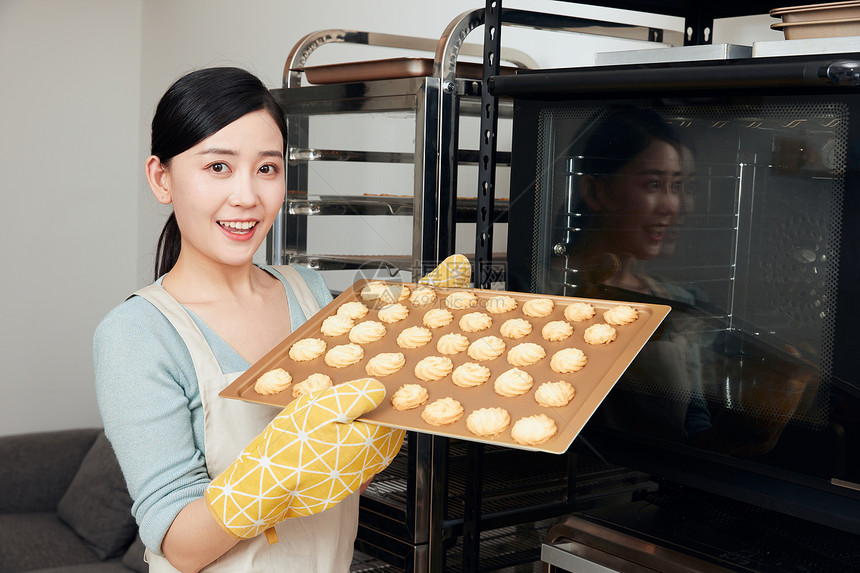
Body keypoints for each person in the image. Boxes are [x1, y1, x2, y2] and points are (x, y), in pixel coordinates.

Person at [93, 67, 401, 573]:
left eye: (267, 168)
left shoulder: (311, 294)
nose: (247, 197)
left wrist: (386, 416)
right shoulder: (137, 336)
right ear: (161, 178)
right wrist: (274, 470)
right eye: (218, 167)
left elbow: (346, 480)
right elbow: (180, 547)